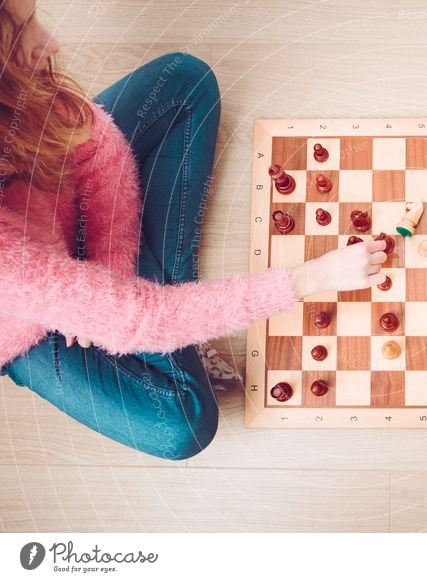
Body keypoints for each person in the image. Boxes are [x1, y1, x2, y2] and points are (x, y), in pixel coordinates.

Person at [0, 0, 387, 460]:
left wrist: (111, 273)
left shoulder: (26, 95)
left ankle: (163, 297)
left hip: (66, 245)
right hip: (29, 323)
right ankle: (169, 302)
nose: (52, 43)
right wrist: (313, 278)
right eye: (25, 31)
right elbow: (150, 319)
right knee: (184, 425)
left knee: (185, 79)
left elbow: (102, 152)